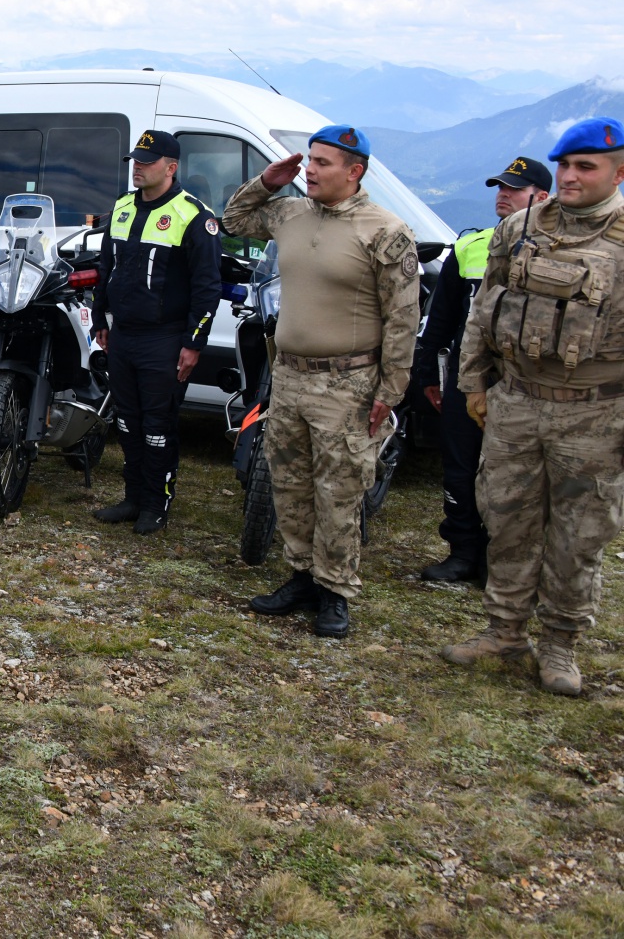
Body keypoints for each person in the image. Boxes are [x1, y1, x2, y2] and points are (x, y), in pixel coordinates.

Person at [441, 118, 624, 697]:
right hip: (516, 402)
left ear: (619, 173)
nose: (570, 177)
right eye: (564, 165)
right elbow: (482, 312)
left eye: (585, 167)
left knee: (578, 536)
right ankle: (504, 631)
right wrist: (474, 384)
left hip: (594, 413)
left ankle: (561, 647)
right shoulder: (518, 230)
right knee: (509, 520)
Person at [224, 126, 420, 639]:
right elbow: (233, 220)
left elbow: (402, 319)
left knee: (339, 490)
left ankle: (335, 591)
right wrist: (267, 181)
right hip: (288, 375)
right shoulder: (290, 213)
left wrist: (389, 392)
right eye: (309, 159)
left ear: (355, 172)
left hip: (348, 382)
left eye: (323, 162)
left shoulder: (384, 231)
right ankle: (302, 576)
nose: (309, 169)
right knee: (290, 483)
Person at [412, 156, 550, 584]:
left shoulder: (559, 252)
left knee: (518, 475)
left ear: (542, 198)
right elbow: (440, 320)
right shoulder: (472, 247)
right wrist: (428, 375)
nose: (502, 195)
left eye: (514, 188)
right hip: (467, 376)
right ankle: (463, 550)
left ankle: (506, 559)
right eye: (499, 187)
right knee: (460, 465)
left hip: (526, 384)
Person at [89, 131, 221, 535]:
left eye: (147, 160)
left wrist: (193, 344)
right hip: (124, 336)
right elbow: (105, 270)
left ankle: (156, 505)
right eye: (135, 159)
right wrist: (100, 320)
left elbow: (207, 287)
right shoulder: (123, 207)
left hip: (164, 339)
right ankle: (133, 498)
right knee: (127, 423)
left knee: (157, 425)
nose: (138, 166)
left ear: (171, 166)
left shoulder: (193, 215)